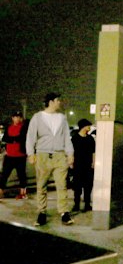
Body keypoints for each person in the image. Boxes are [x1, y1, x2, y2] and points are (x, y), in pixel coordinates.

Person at [26, 92, 75, 226]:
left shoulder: (62, 118)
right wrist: (31, 153)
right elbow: (31, 137)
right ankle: (42, 212)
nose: (60, 102)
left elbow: (66, 138)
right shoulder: (37, 117)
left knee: (62, 185)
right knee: (41, 185)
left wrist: (70, 154)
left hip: (60, 155)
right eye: (58, 100)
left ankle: (64, 212)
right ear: (51, 102)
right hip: (43, 155)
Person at [0, 111, 28, 200]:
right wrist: (14, 139)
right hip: (9, 156)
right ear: (12, 118)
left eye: (19, 117)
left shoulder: (24, 127)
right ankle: (1, 191)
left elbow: (22, 138)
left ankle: (23, 193)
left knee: (22, 175)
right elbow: (5, 138)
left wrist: (11, 139)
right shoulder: (9, 127)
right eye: (16, 117)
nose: (17, 119)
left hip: (21, 156)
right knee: (4, 174)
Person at [71, 118, 95, 213]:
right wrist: (71, 163)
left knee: (88, 186)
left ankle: (87, 205)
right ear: (83, 127)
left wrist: (93, 162)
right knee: (77, 187)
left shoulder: (90, 138)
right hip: (78, 165)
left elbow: (93, 152)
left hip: (88, 165)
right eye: (88, 126)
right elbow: (71, 152)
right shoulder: (75, 138)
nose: (89, 127)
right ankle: (76, 205)